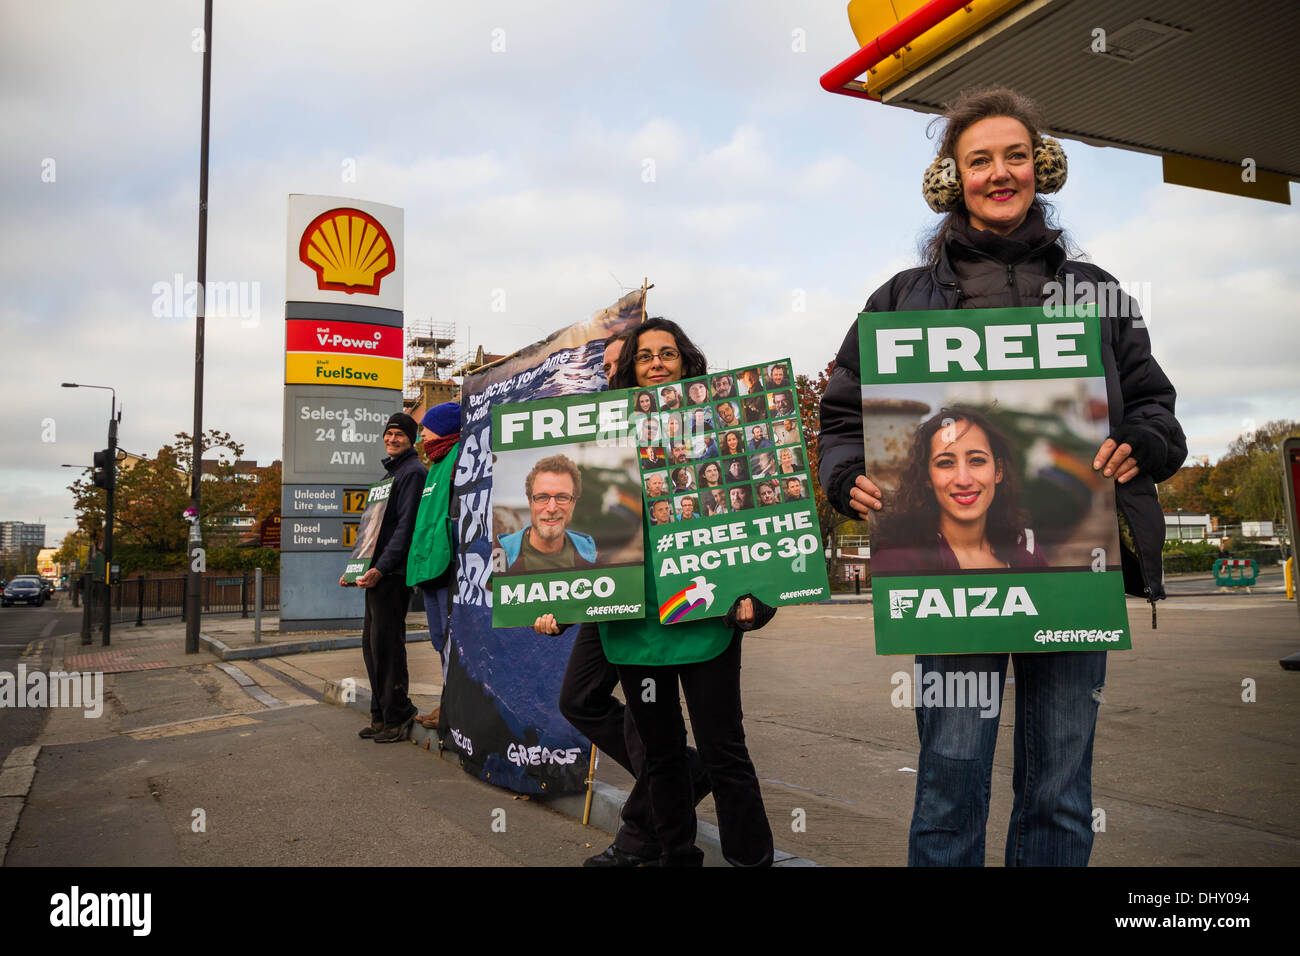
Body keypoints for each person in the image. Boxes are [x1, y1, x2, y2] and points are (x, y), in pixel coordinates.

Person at [817, 87, 1186, 867]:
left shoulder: (1096, 293)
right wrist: (845, 475)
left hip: (1073, 579)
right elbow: (843, 422)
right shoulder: (898, 301)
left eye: (1015, 155)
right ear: (953, 177)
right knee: (948, 786)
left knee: (1059, 790)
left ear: (1040, 167)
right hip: (943, 591)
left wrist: (1141, 445)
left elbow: (1156, 409)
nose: (999, 173)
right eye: (979, 159)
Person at [556, 317, 775, 867]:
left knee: (724, 751)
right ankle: (676, 857)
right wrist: (555, 602)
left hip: (707, 619)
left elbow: (760, 524)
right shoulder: (598, 444)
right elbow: (577, 530)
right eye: (645, 355)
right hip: (637, 624)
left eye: (668, 353)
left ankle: (752, 861)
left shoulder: (720, 438)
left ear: (687, 364)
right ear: (629, 370)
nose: (656, 362)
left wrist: (761, 600)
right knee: (662, 754)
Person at [871, 408, 1047, 574]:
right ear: (927, 477)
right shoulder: (897, 560)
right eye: (945, 463)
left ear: (998, 471)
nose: (964, 480)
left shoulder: (1026, 551)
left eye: (977, 460)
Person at [340, 412, 427, 743]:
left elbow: (405, 528)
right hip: (376, 575)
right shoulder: (389, 476)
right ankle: (380, 715)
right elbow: (371, 533)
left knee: (388, 646)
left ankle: (398, 714)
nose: (392, 439)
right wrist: (357, 568)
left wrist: (382, 567)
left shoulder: (413, 473)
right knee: (372, 645)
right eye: (388, 433)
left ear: (412, 439)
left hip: (392, 575)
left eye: (399, 434)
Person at [406, 401, 462, 731]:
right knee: (440, 639)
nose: (422, 435)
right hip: (431, 565)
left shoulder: (457, 459)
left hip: (448, 565)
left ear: (443, 427)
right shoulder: (437, 462)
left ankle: (453, 709)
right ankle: (446, 703)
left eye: (427, 427)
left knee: (453, 641)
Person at [498, 455, 597, 574]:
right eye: (542, 497)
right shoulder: (500, 554)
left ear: (573, 503)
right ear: (530, 502)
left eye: (562, 497)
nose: (551, 508)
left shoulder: (589, 553)